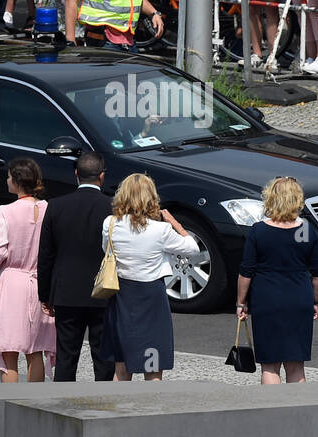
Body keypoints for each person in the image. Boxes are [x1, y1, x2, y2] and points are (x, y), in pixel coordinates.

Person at [98, 173, 198, 381]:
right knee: (152, 366)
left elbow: (105, 249)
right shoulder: (161, 230)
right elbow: (192, 248)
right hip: (151, 297)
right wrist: (174, 223)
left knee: (122, 366)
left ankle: (118, 411)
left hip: (122, 294)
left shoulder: (110, 224)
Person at [235, 177, 318, 385]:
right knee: (296, 365)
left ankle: (273, 412)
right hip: (299, 299)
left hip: (267, 301)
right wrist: (314, 300)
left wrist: (241, 302)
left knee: (270, 364)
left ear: (271, 199)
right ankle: (298, 412)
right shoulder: (305, 230)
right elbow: (317, 273)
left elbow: (246, 272)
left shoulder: (259, 230)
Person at [37, 151, 114, 382]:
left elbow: (46, 255)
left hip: (66, 292)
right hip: (104, 291)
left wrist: (45, 294)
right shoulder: (112, 206)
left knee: (66, 357)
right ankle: (104, 405)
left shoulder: (56, 206)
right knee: (103, 358)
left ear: (76, 174)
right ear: (101, 176)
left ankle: (63, 405)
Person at [0, 158, 55, 382]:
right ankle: (34, 406)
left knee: (8, 353)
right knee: (35, 349)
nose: (6, 180)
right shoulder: (47, 208)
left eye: (8, 176)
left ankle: (10, 406)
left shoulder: (5, 211)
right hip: (39, 282)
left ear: (16, 181)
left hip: (12, 283)